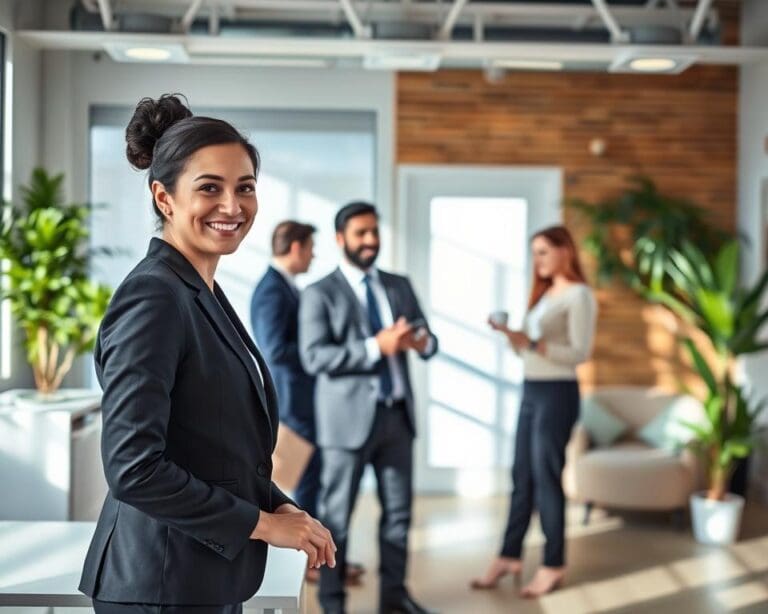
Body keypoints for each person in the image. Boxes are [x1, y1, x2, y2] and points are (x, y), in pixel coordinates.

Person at [79, 94, 335, 614]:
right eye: (209, 188)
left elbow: (207, 445)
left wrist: (281, 505)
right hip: (160, 585)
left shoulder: (198, 290)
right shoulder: (154, 296)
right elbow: (134, 468)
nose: (232, 206)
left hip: (199, 578)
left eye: (245, 188)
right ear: (164, 198)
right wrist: (263, 525)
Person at [299, 201, 439, 614]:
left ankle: (394, 601)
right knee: (335, 521)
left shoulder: (398, 284)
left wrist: (420, 341)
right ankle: (332, 602)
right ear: (341, 239)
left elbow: (430, 342)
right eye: (361, 233)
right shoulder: (318, 293)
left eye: (375, 232)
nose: (371, 241)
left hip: (396, 417)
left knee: (398, 517)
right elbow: (314, 357)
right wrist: (375, 347)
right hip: (345, 426)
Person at [470, 225, 597, 598]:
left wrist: (534, 343)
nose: (536, 260)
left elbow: (579, 353)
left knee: (545, 477)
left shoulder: (579, 295)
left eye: (543, 252)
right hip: (532, 390)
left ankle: (553, 563)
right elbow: (526, 351)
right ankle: (509, 555)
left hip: (558, 394)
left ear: (565, 252)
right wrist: (511, 335)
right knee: (521, 476)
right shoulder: (543, 296)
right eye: (534, 253)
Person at [250, 222, 367, 586]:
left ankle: (319, 559)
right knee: (307, 484)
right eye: (311, 247)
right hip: (294, 405)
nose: (314, 255)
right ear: (296, 247)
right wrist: (317, 354)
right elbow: (275, 350)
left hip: (305, 402)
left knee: (312, 484)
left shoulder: (285, 287)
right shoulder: (272, 290)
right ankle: (315, 563)